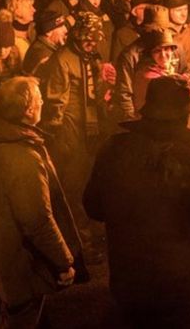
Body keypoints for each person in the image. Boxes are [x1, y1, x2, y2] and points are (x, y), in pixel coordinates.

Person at [85, 76, 190, 328]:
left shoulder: (113, 149)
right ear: (184, 117)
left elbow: (92, 207)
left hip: (127, 279)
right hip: (174, 286)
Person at [0, 77, 82, 329]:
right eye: (38, 97)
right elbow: (37, 219)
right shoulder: (23, 156)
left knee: (15, 311)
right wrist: (64, 261)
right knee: (22, 314)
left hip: (2, 252)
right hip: (22, 261)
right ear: (28, 109)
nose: (44, 100)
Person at [39, 15, 109, 262]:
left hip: (92, 131)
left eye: (95, 41)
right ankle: (80, 243)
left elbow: (98, 94)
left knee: (90, 185)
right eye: (87, 41)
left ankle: (93, 235)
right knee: (74, 188)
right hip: (70, 132)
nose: (91, 45)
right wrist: (54, 134)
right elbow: (55, 99)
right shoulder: (63, 59)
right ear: (78, 36)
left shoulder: (92, 58)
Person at [22, 10, 69, 80]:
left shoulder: (42, 46)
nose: (65, 30)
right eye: (60, 26)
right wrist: (63, 51)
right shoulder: (44, 54)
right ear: (48, 32)